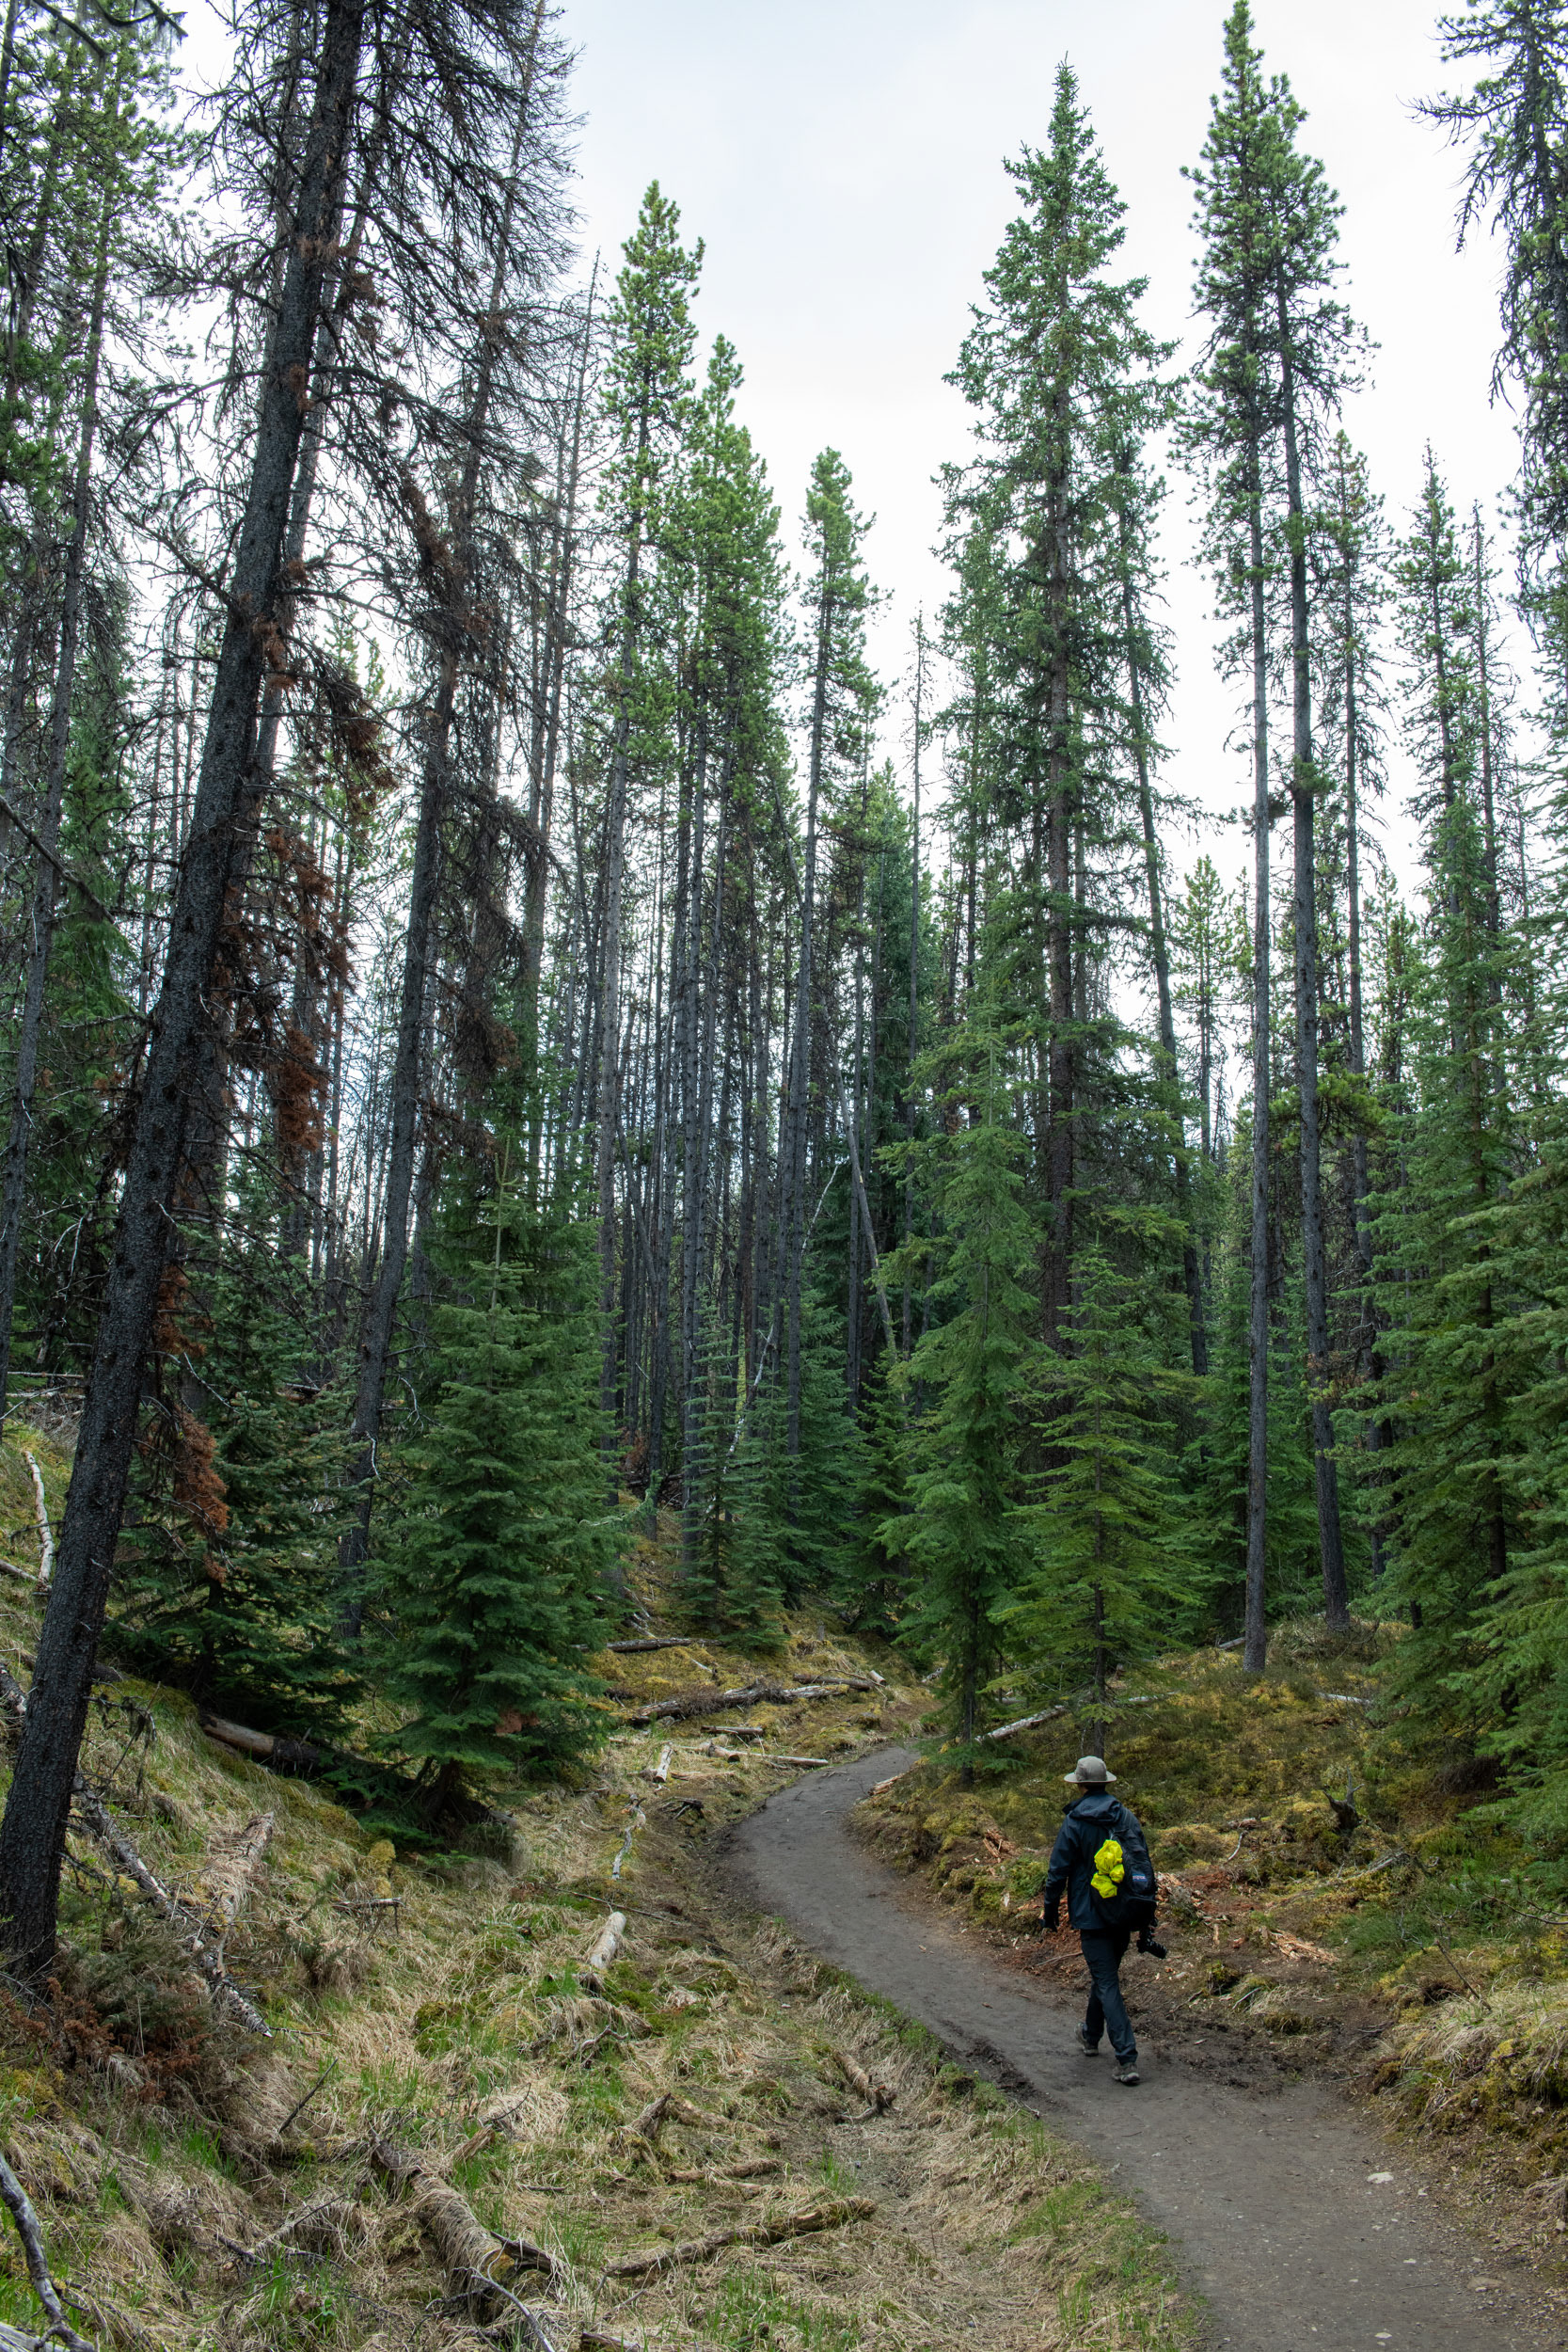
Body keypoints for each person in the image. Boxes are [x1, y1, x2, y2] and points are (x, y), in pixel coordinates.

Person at [1040, 1754, 1161, 2088]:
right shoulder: (1126, 1817)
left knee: (1106, 1981)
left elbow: (1057, 1871)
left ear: (1080, 1785)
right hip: (1124, 1912)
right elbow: (1143, 1865)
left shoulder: (1075, 1822)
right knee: (1104, 1975)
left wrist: (1050, 1911)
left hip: (1091, 1916)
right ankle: (1091, 2036)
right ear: (1106, 1782)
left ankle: (1127, 2058)